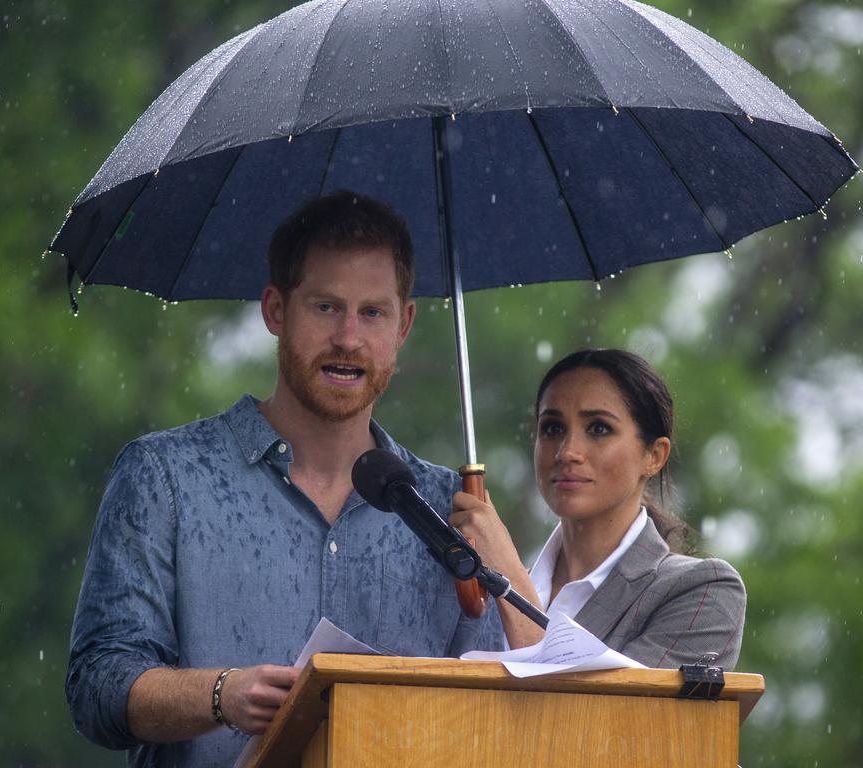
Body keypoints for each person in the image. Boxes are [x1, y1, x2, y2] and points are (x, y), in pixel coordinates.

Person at [65, 191, 503, 768]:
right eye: (325, 307)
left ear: (405, 324)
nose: (349, 337)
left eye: (373, 312)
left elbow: (491, 717)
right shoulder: (163, 476)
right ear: (275, 310)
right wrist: (221, 695)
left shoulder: (450, 511)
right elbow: (97, 686)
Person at [451, 348, 746, 668]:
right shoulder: (474, 587)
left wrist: (510, 583)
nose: (567, 452)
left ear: (654, 456)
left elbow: (599, 716)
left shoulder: (702, 592)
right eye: (552, 428)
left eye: (599, 429)